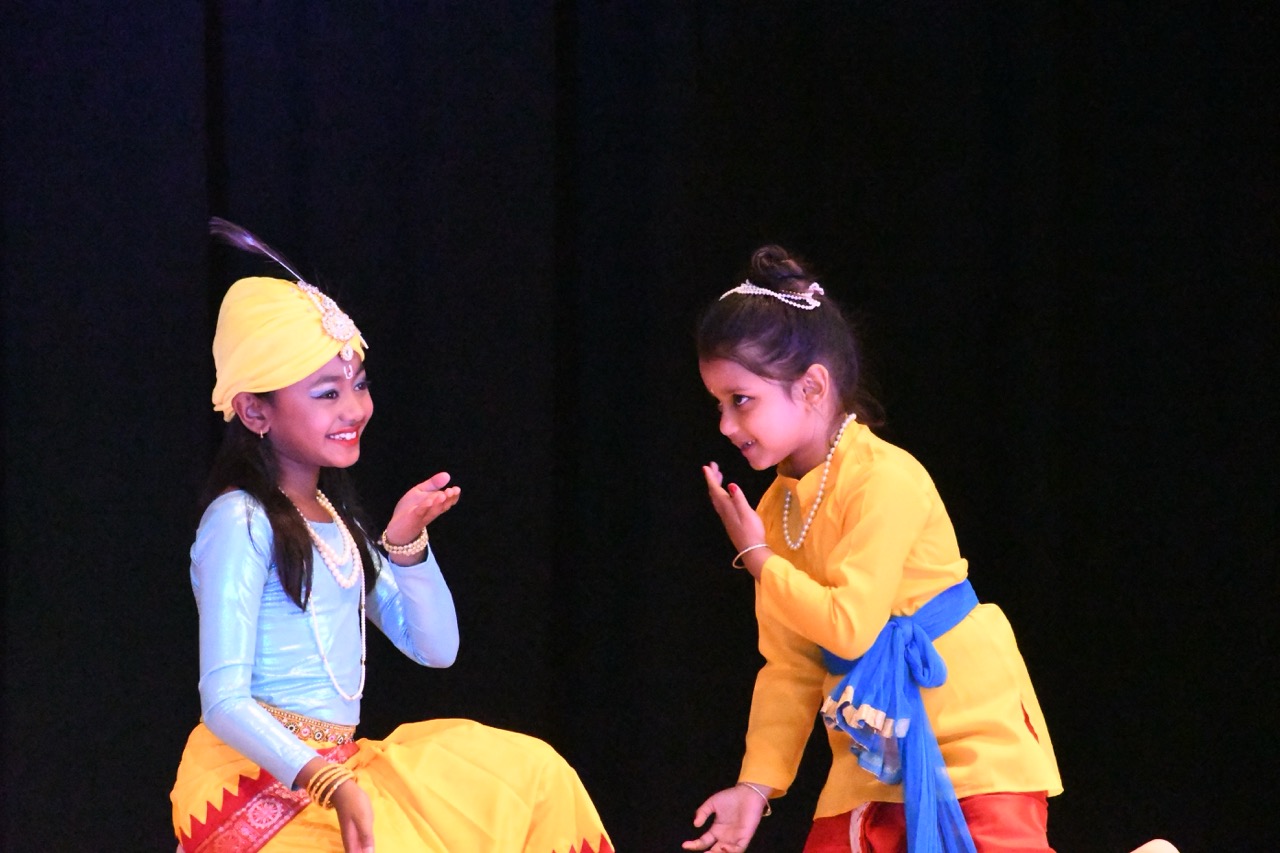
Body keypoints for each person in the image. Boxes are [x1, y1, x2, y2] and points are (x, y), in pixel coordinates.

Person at [171, 221, 612, 853]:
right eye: (328, 393)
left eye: (359, 385)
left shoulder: (335, 518)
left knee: (535, 775)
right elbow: (223, 701)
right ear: (254, 410)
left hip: (337, 769)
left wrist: (406, 544)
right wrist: (326, 780)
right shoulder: (240, 520)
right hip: (250, 782)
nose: (354, 409)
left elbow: (436, 649)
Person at [683, 246, 1061, 853]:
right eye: (718, 404)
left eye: (741, 400)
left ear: (812, 386)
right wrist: (754, 787)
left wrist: (759, 558)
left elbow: (850, 626)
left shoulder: (885, 478)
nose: (726, 425)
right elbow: (791, 665)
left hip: (968, 734)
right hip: (873, 749)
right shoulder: (776, 510)